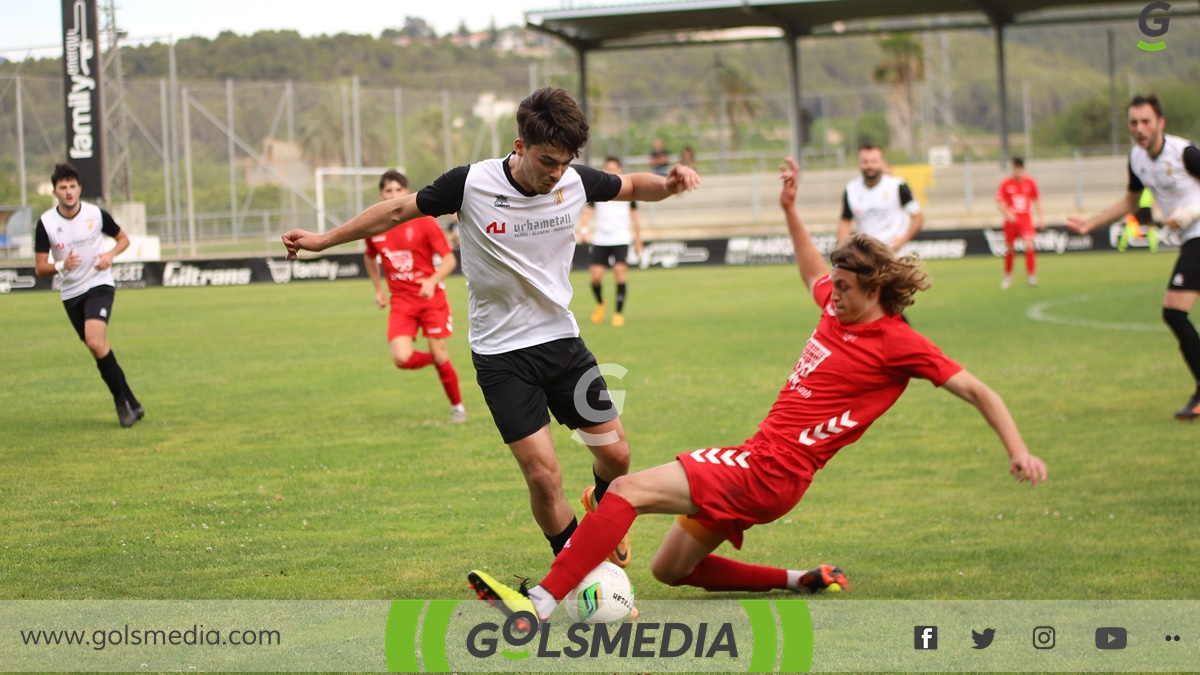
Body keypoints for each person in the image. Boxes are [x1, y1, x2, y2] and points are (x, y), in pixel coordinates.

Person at [468, 157, 1046, 622]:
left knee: (623, 491)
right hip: (769, 469)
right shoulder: (837, 306)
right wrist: (789, 209)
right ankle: (804, 580)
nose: (831, 295)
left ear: (875, 289)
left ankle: (541, 602)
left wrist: (1018, 450)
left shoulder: (900, 344)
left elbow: (979, 392)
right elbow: (808, 265)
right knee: (672, 569)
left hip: (767, 469)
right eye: (834, 285)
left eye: (844, 288)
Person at [283, 88, 700, 566]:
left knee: (618, 457)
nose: (556, 173)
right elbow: (398, 210)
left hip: (563, 345)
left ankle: (599, 509)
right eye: (547, 161)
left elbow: (628, 186)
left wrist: (667, 186)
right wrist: (322, 240)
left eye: (564, 163)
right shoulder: (470, 184)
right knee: (544, 476)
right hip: (502, 358)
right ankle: (580, 570)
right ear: (519, 145)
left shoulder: (575, 182)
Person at [1067, 94, 1200, 421]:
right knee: (1174, 313)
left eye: (1146, 122)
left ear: (1161, 123)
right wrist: (1091, 222)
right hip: (1191, 238)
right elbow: (1130, 201)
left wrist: (1191, 212)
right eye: (1133, 123)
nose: (1139, 129)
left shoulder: (1185, 153)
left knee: (1174, 310)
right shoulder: (1137, 159)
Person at [33, 163, 144, 428]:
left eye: (72, 186)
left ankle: (121, 406)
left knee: (95, 342)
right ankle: (132, 402)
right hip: (71, 294)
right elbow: (40, 268)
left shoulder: (95, 214)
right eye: (63, 188)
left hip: (98, 284)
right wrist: (61, 266)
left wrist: (109, 255)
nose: (69, 192)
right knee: (100, 349)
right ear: (55, 192)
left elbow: (123, 239)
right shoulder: (46, 223)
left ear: (79, 188)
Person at [362, 169, 465, 424]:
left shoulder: (425, 221)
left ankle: (458, 408)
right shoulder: (374, 225)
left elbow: (450, 260)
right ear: (381, 194)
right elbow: (369, 256)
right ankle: (439, 360)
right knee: (401, 358)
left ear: (406, 193)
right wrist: (378, 288)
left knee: (439, 354)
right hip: (401, 302)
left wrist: (432, 281)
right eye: (388, 191)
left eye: (398, 190)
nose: (393, 195)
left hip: (431, 299)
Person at [580, 157, 643, 327]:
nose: (611, 172)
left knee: (620, 273)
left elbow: (635, 219)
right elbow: (587, 213)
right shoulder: (598, 191)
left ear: (620, 170)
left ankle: (618, 313)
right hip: (600, 239)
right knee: (595, 278)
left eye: (614, 169)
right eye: (608, 168)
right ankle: (601, 303)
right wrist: (584, 230)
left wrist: (638, 241)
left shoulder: (628, 193)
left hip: (621, 239)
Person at [837, 143, 924, 251]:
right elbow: (845, 221)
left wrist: (902, 240)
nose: (869, 166)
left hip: (893, 255)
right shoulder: (851, 189)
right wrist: (842, 248)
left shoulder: (897, 186)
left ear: (882, 163)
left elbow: (918, 216)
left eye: (874, 162)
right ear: (859, 163)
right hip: (866, 254)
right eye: (865, 162)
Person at [996, 157, 1045, 288]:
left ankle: (1031, 276)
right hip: (1011, 221)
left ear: (1023, 169)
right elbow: (999, 202)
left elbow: (1037, 201)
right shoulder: (1006, 183)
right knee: (1010, 248)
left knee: (1029, 245)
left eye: (1020, 169)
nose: (1017, 171)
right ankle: (1008, 277)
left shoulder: (1030, 182)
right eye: (1015, 169)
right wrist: (1007, 213)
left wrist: (1041, 218)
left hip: (1026, 219)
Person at [1117, 188, 1159, 253]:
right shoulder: (1148, 188)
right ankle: (1154, 247)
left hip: (1138, 207)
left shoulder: (1138, 187)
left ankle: (1122, 246)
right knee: (1150, 226)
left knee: (1130, 226)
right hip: (1144, 208)